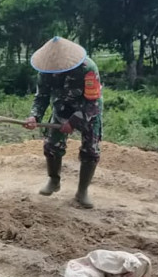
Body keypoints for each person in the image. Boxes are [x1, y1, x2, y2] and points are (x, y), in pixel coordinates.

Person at [23, 36, 103, 209]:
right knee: (52, 146)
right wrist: (34, 117)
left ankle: (82, 192)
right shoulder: (45, 71)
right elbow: (41, 98)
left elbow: (93, 103)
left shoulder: (87, 69)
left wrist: (74, 122)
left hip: (87, 110)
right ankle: (54, 180)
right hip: (62, 108)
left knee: (90, 150)